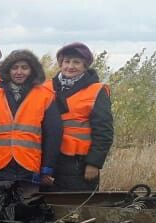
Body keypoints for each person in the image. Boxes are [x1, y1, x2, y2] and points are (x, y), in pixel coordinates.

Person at [0, 50, 61, 195]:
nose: (19, 72)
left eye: (24, 67)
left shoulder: (45, 96)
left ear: (32, 70)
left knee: (27, 210)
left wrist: (47, 167)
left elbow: (53, 135)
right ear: (8, 70)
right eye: (15, 67)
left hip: (29, 165)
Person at [47, 42, 113, 191]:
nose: (70, 66)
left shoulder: (96, 91)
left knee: (79, 209)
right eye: (67, 61)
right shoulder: (45, 88)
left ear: (85, 66)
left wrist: (94, 163)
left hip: (79, 164)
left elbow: (104, 131)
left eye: (76, 62)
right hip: (49, 161)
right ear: (60, 64)